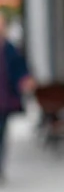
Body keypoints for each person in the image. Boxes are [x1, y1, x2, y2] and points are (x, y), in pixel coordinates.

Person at [0, 13, 33, 178]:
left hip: (4, 100)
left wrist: (24, 79)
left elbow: (20, 68)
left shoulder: (10, 49)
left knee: (1, 134)